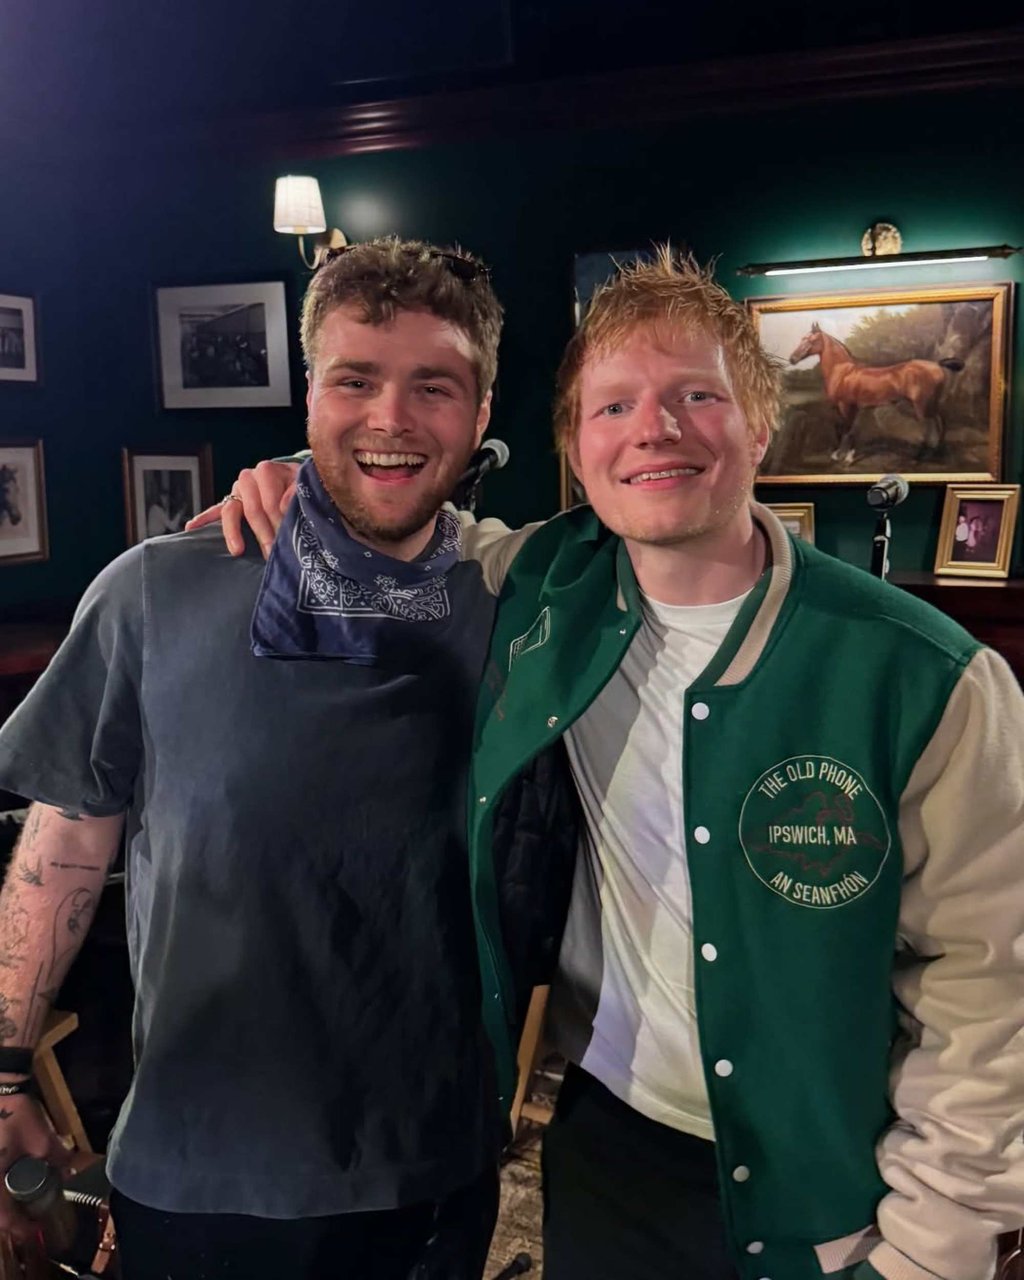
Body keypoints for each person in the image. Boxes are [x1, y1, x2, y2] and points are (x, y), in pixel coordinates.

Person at [215, 249, 1024, 1280]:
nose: (655, 428)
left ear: (761, 421)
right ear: (574, 446)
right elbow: (400, 512)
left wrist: (932, 1247)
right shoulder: (538, 584)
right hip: (605, 1150)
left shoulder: (928, 676)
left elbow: (990, 995)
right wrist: (291, 477)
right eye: (613, 406)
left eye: (697, 394)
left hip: (833, 1183)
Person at [0, 237, 577, 1280]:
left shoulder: (519, 607)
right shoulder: (151, 591)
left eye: (433, 386)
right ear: (311, 394)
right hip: (199, 1162)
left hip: (433, 1162)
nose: (391, 418)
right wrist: (1, 1070)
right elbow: (67, 843)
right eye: (356, 379)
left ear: (482, 413)